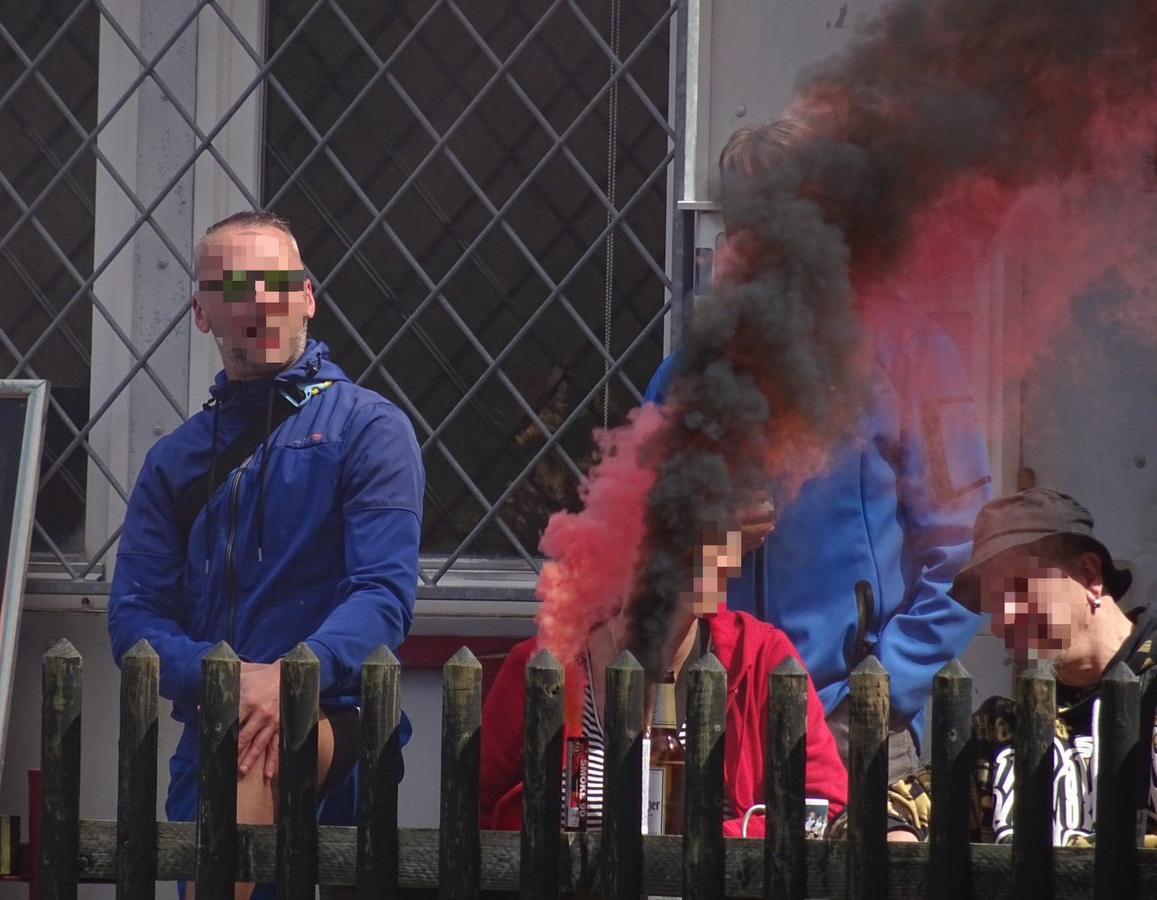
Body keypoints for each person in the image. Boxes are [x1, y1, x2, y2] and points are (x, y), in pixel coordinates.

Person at [645, 119, 994, 782]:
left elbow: (965, 552)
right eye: (743, 220)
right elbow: (636, 555)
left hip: (858, 719)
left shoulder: (908, 353)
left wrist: (884, 688)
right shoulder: (686, 375)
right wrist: (705, 536)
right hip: (716, 718)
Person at [107, 211, 424, 898]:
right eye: (235, 285)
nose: (261, 299)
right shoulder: (174, 462)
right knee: (245, 748)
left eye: (278, 280)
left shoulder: (371, 429)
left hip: (341, 722)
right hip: (213, 728)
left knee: (259, 750)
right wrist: (233, 683)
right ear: (202, 312)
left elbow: (383, 595)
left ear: (307, 294)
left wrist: (287, 680)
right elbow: (135, 623)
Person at [480, 529, 848, 837]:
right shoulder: (543, 665)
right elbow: (477, 813)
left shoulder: (759, 656)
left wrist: (705, 847)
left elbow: (823, 809)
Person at [882, 488, 1157, 845]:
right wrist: (894, 831)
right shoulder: (1000, 730)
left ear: (1090, 575)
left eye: (1020, 589)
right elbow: (884, 810)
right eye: (994, 605)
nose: (1003, 621)